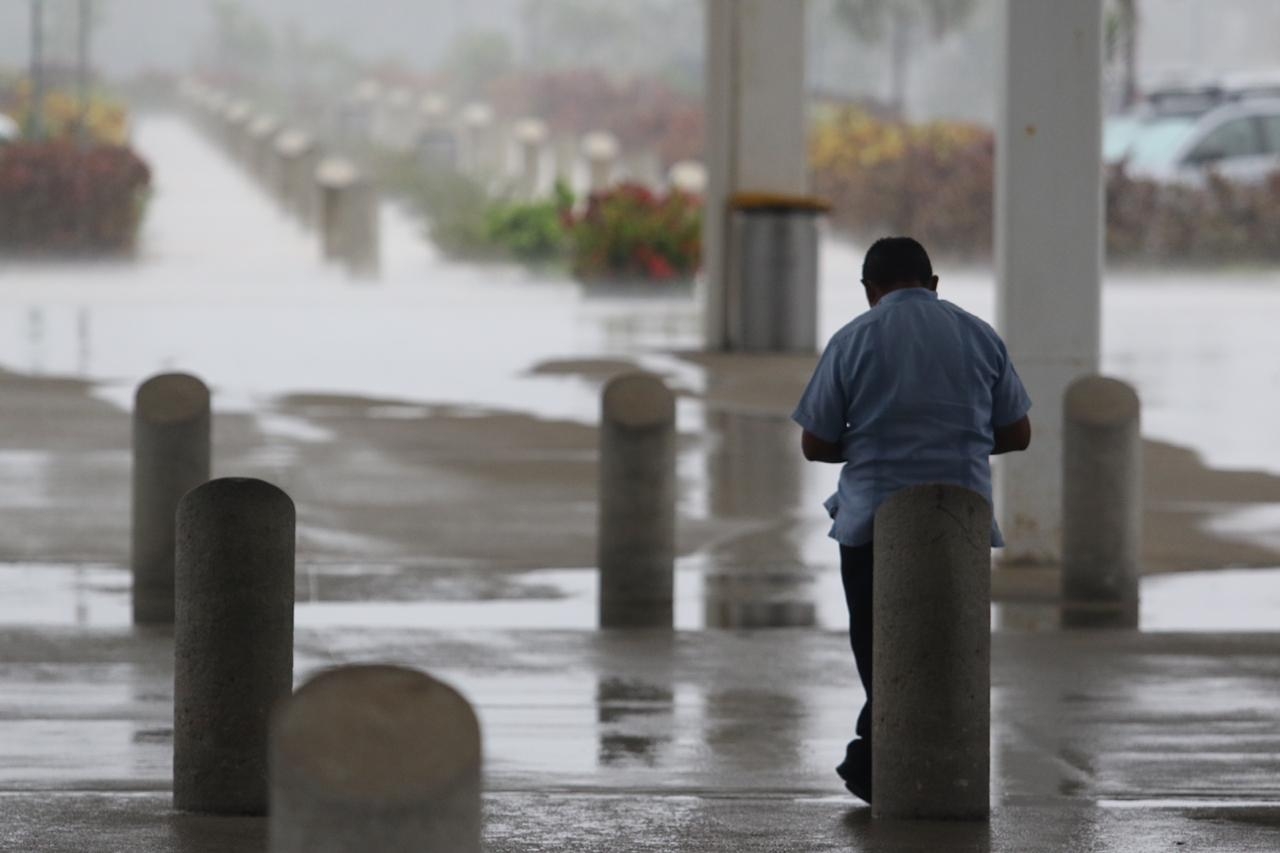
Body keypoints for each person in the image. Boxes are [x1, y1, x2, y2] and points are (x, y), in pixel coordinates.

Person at [791, 236, 1032, 804]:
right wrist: (956, 439)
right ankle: (884, 764)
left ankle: (872, 762)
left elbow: (815, 442)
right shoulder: (979, 335)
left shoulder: (853, 339)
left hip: (873, 523)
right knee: (948, 648)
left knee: (881, 651)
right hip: (962, 519)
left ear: (869, 291)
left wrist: (876, 442)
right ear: (934, 283)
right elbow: (1018, 434)